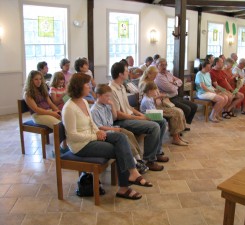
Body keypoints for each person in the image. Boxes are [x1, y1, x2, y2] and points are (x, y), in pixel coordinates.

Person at [62, 72, 153, 200]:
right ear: (78, 87)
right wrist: (95, 136)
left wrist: (98, 131)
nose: (89, 87)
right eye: (86, 84)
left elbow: (91, 122)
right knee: (118, 150)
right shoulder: (69, 108)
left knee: (121, 136)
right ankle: (124, 187)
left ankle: (132, 173)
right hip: (80, 146)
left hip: (91, 137)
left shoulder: (82, 101)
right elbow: (72, 136)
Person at [109, 62, 169, 171]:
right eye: (127, 71)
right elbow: (118, 114)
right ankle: (149, 159)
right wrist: (138, 118)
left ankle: (156, 152)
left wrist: (142, 114)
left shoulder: (121, 86)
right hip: (120, 121)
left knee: (162, 121)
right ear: (120, 74)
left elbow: (128, 107)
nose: (129, 72)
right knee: (154, 126)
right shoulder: (111, 90)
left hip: (129, 116)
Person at [90, 84, 149, 174]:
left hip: (112, 128)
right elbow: (99, 127)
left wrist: (112, 105)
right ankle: (134, 162)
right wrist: (113, 130)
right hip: (104, 132)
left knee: (130, 134)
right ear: (98, 96)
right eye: (106, 96)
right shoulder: (94, 110)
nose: (108, 98)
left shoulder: (106, 105)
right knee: (124, 137)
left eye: (109, 96)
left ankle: (138, 159)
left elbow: (114, 117)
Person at [139, 66, 189, 146]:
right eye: (154, 75)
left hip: (157, 104)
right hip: (152, 108)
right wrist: (158, 97)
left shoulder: (152, 82)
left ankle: (178, 136)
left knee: (179, 110)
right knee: (176, 113)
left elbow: (154, 94)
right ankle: (175, 139)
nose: (155, 77)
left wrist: (161, 96)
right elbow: (145, 98)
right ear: (149, 74)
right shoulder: (144, 83)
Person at [155, 58, 198, 126]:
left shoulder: (168, 73)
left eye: (165, 65)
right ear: (157, 66)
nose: (164, 67)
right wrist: (176, 85)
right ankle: (180, 126)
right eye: (162, 65)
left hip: (176, 96)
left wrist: (174, 83)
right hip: (168, 99)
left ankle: (184, 124)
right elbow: (170, 89)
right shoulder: (158, 77)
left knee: (194, 106)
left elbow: (180, 81)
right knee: (187, 109)